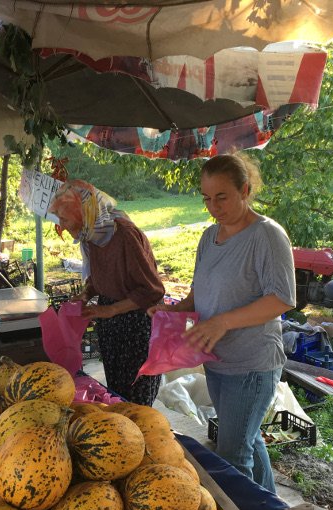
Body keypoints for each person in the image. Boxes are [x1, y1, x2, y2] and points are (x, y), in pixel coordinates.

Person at [148, 154, 295, 492]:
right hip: (217, 361)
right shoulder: (209, 238)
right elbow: (199, 297)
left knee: (233, 453)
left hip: (252, 364)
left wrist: (223, 323)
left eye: (222, 197)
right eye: (207, 198)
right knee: (245, 437)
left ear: (245, 190)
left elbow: (282, 299)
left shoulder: (267, 236)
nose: (214, 207)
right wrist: (172, 312)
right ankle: (271, 509)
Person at [48, 180, 165, 406]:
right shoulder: (91, 234)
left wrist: (111, 310)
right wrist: (85, 293)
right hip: (111, 323)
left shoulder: (125, 235)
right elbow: (98, 275)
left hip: (137, 324)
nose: (61, 226)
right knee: (116, 394)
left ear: (84, 214)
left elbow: (153, 290)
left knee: (136, 400)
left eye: (64, 219)